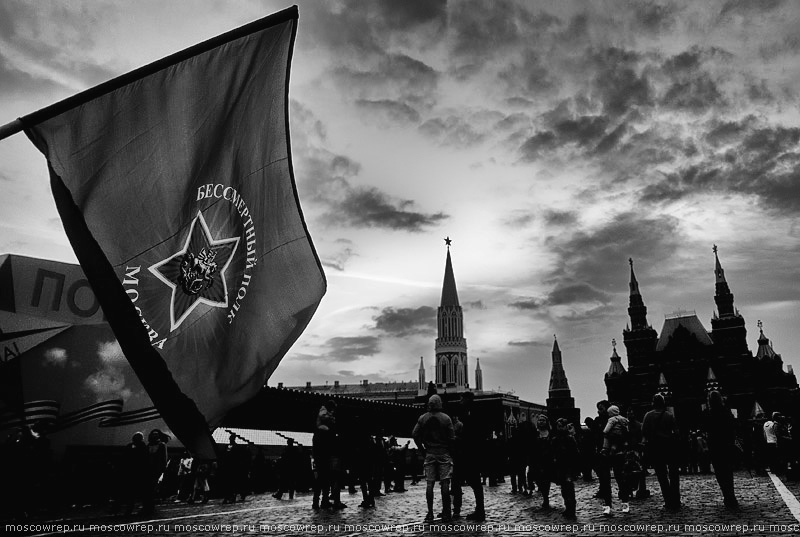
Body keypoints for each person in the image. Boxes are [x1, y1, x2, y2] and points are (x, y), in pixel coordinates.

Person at [412, 394, 455, 522]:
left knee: (429, 483)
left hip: (429, 453)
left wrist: (422, 449)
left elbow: (415, 434)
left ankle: (430, 512)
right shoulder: (446, 418)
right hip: (444, 452)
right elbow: (452, 439)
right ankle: (447, 512)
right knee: (445, 483)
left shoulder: (423, 418)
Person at [642, 394, 681, 511]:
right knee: (674, 474)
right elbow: (676, 432)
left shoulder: (648, 416)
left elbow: (644, 432)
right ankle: (676, 499)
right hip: (670, 448)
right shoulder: (669, 415)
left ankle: (668, 500)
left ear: (653, 403)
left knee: (662, 476)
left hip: (656, 448)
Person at [452, 391, 486, 521]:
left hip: (469, 453)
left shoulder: (471, 412)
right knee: (472, 482)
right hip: (470, 452)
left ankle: (479, 510)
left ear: (467, 399)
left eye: (461, 398)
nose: (460, 400)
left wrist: (460, 439)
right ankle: (478, 509)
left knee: (473, 482)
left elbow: (472, 434)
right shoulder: (470, 411)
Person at [702, 390, 739, 509]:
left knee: (720, 472)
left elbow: (705, 428)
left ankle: (726, 496)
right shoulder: (726, 411)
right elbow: (733, 427)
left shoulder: (708, 413)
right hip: (726, 444)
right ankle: (731, 496)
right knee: (728, 472)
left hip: (715, 446)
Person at [600, 405, 631, 516]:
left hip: (609, 453)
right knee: (620, 478)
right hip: (620, 452)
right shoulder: (623, 420)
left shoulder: (611, 420)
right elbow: (627, 431)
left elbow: (606, 432)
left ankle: (608, 506)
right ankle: (625, 504)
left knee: (607, 480)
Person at [552, 418, 579, 520]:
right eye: (558, 426)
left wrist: (575, 470)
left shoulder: (570, 439)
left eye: (562, 426)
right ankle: (568, 507)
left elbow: (575, 454)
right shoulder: (555, 439)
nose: (560, 428)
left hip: (569, 467)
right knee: (564, 490)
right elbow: (553, 453)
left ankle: (572, 509)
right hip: (560, 467)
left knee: (569, 489)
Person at [142, 429, 168, 515]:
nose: (155, 436)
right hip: (147, 469)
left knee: (152, 488)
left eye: (156, 434)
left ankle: (150, 507)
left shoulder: (161, 445)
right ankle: (146, 506)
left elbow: (164, 458)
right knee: (146, 489)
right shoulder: (148, 445)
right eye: (153, 434)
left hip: (156, 470)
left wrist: (162, 469)